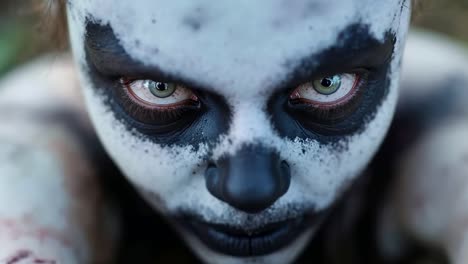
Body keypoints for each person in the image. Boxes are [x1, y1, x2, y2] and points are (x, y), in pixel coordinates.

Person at [0, 1, 466, 263]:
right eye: (160, 90)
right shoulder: (29, 150)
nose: (249, 189)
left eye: (328, 85)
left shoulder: (443, 118)